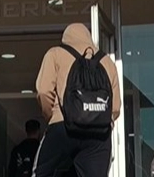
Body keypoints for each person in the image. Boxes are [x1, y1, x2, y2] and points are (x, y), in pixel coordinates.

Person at [33, 23, 121, 177]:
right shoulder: (107, 61)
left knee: (41, 173)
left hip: (63, 127)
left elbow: (43, 91)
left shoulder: (55, 54)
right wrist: (103, 122)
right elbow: (115, 107)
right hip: (99, 135)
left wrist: (51, 117)